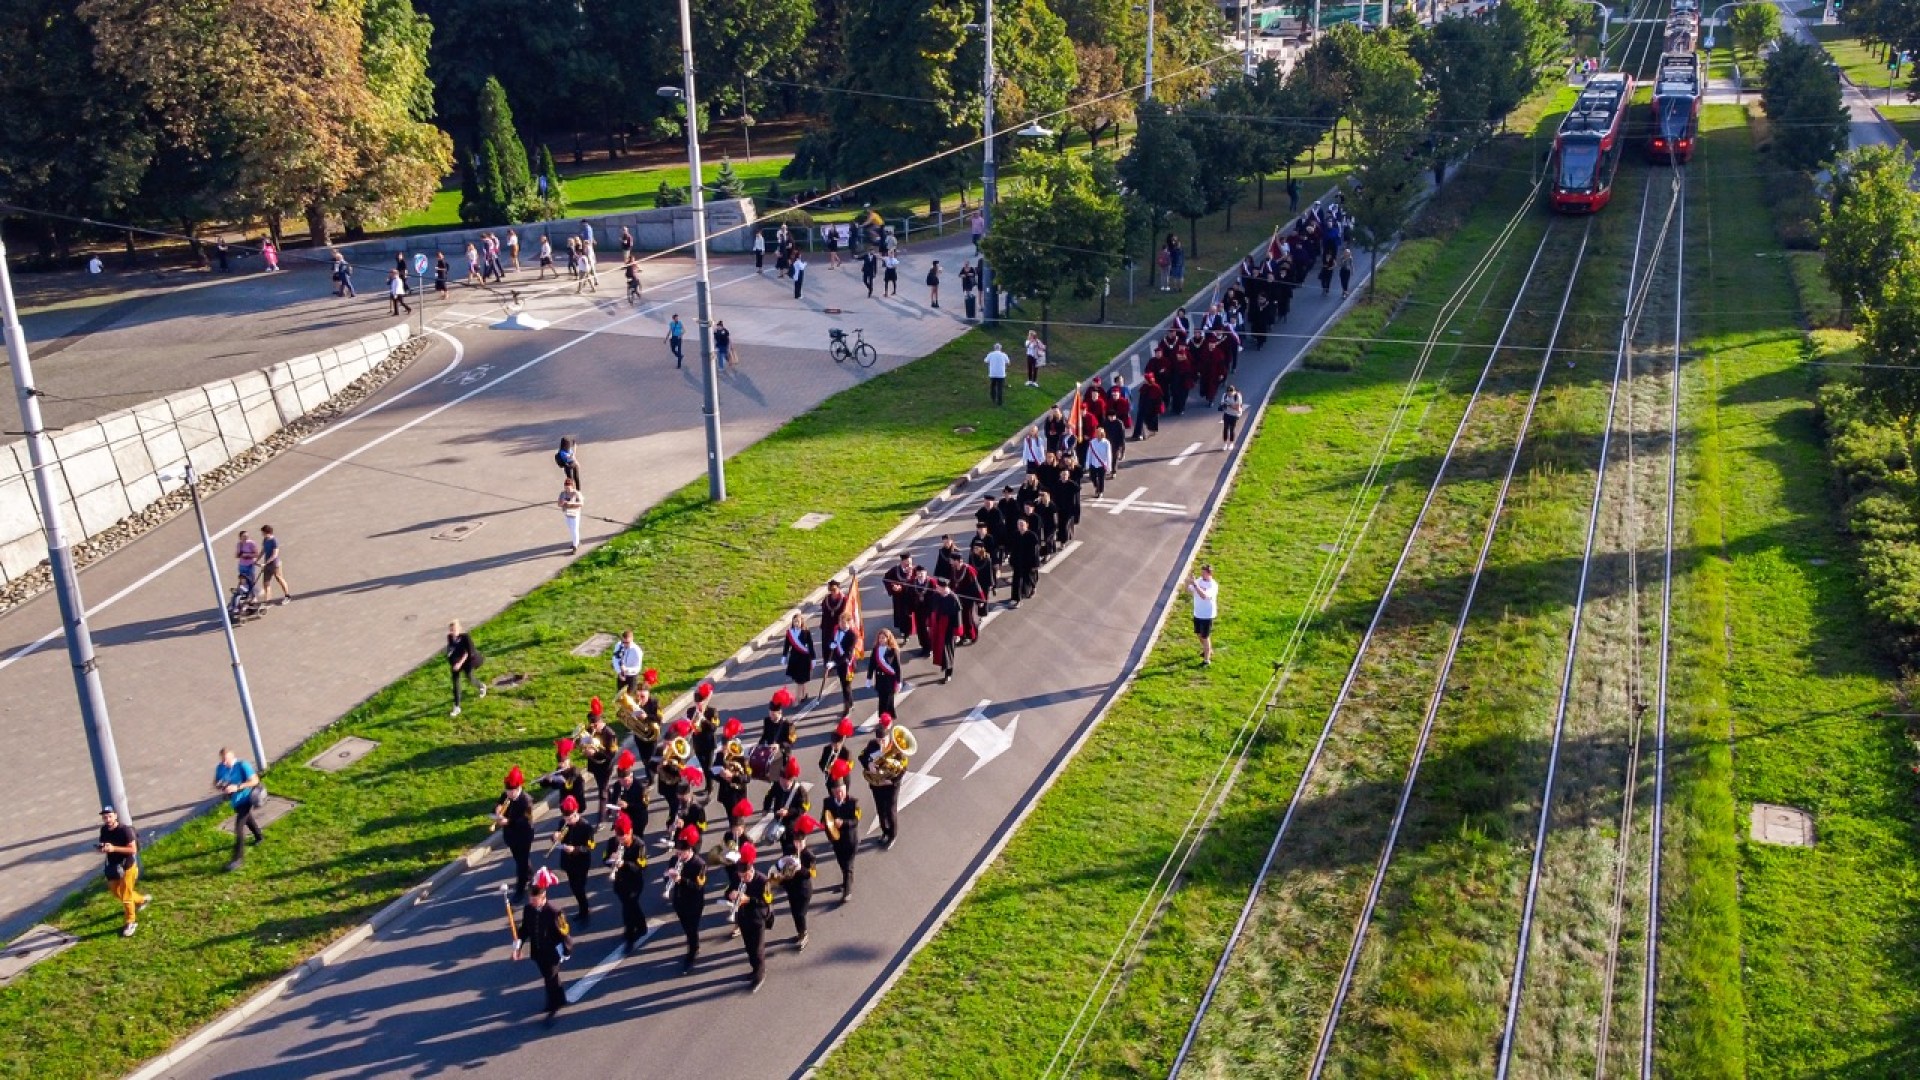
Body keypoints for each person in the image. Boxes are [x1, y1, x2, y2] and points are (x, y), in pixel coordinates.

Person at [512, 869, 574, 1019]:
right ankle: (560, 999)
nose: (532, 902)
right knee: (550, 976)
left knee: (550, 977)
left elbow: (563, 932)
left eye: (535, 899)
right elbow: (525, 929)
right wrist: (518, 946)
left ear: (543, 896)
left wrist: (567, 950)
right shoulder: (528, 910)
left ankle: (552, 1005)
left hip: (553, 951)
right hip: (538, 950)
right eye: (530, 899)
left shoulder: (554, 912)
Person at [728, 842, 777, 992]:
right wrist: (730, 894)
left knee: (757, 950)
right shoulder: (738, 879)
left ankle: (760, 975)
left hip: (757, 919)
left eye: (746, 875)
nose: (743, 878)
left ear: (751, 869)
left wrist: (748, 899)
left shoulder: (763, 881)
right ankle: (755, 969)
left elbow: (766, 902)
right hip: (743, 918)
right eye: (741, 875)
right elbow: (728, 889)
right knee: (748, 948)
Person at [97, 806, 146, 937]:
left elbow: (132, 850)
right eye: (105, 817)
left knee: (125, 896)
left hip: (127, 867)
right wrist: (102, 848)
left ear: (116, 816)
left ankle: (131, 921)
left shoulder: (125, 830)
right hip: (113, 867)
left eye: (109, 816)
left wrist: (114, 848)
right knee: (115, 891)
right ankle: (141, 900)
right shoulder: (104, 830)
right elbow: (104, 843)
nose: (107, 819)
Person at [603, 812, 648, 952]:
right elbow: (604, 860)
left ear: (631, 831)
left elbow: (642, 866)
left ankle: (630, 936)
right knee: (631, 906)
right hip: (619, 882)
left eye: (625, 836)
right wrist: (611, 859)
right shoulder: (612, 842)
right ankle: (642, 926)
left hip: (634, 883)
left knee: (628, 909)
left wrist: (624, 864)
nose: (621, 840)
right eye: (619, 836)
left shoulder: (639, 845)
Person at [665, 825, 708, 972]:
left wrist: (681, 880)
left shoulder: (699, 864)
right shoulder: (674, 860)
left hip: (694, 903)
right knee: (685, 926)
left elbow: (698, 886)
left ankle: (693, 949)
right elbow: (667, 877)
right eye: (678, 850)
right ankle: (693, 943)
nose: (679, 853)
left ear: (690, 850)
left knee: (691, 928)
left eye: (682, 851)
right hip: (679, 901)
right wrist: (668, 876)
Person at [494, 766, 536, 898]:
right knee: (519, 859)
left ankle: (520, 889)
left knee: (521, 863)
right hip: (510, 835)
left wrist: (508, 822)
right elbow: (498, 804)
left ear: (519, 789)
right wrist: (497, 809)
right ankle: (531, 876)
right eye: (507, 791)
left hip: (523, 836)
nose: (509, 794)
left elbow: (525, 820)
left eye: (512, 791)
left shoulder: (526, 800)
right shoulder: (505, 795)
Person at [553, 795, 596, 925]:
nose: (567, 820)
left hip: (581, 862)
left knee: (579, 887)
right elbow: (560, 837)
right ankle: (583, 908)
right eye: (565, 817)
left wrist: (575, 849)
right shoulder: (563, 823)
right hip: (568, 862)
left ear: (576, 812)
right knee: (574, 887)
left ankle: (585, 910)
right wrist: (555, 837)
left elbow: (590, 847)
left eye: (570, 817)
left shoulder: (586, 826)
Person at [821, 765, 860, 900]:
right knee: (842, 863)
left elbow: (856, 820)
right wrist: (825, 824)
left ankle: (847, 891)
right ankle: (846, 882)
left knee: (848, 865)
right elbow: (823, 817)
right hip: (836, 840)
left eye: (841, 791)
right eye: (837, 792)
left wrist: (843, 823)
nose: (839, 794)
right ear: (832, 791)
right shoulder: (828, 802)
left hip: (850, 840)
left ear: (845, 790)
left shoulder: (853, 803)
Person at [776, 829, 818, 950]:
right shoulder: (789, 850)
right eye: (796, 841)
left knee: (800, 913)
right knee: (795, 912)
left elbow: (812, 874)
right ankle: (800, 932)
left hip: (804, 889)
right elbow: (782, 864)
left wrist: (801, 868)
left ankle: (804, 934)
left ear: (805, 841)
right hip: (791, 887)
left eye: (801, 842)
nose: (798, 844)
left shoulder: (810, 856)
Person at [447, 619, 485, 717]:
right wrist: (453, 662)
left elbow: (468, 652)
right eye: (451, 630)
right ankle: (457, 706)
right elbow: (452, 650)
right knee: (455, 683)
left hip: (469, 661)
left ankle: (481, 686)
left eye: (455, 630)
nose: (453, 632)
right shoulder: (450, 637)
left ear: (459, 629)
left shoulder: (465, 637)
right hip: (457, 662)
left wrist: (459, 663)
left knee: (470, 678)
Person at [867, 627, 903, 719]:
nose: (881, 640)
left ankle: (886, 718)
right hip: (880, 678)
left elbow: (897, 667)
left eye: (883, 638)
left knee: (888, 700)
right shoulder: (876, 650)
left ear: (888, 638)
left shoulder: (893, 650)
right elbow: (871, 664)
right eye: (880, 638)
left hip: (889, 679)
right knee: (882, 699)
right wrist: (869, 678)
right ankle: (885, 716)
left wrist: (899, 681)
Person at [780, 614, 815, 705]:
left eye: (798, 621)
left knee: (800, 680)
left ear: (801, 622)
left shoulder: (806, 632)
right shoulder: (790, 633)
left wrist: (813, 658)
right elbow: (786, 646)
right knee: (799, 679)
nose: (796, 623)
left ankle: (797, 699)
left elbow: (810, 645)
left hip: (804, 659)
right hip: (794, 659)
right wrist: (784, 656)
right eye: (794, 621)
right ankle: (803, 695)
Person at [1188, 564, 1219, 666]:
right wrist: (1189, 582)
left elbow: (1204, 596)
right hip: (1198, 613)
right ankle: (1208, 650)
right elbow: (1189, 589)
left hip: (1206, 615)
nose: (1202, 574)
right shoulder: (1199, 580)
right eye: (1201, 572)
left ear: (1210, 574)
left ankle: (1206, 660)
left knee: (1205, 637)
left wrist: (1195, 585)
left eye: (1204, 573)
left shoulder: (1213, 585)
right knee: (1199, 634)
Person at [1008, 517, 1041, 608]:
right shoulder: (1015, 535)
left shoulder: (1032, 536)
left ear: (1027, 525)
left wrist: (1035, 564)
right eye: (1019, 524)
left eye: (1022, 524)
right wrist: (1011, 561)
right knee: (1016, 581)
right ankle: (1017, 599)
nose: (1020, 526)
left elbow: (1036, 551)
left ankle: (1033, 588)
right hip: (1018, 562)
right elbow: (1013, 549)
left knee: (1030, 578)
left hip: (1029, 562)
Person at [255, 524, 292, 605]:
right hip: (267, 565)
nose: (262, 534)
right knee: (266, 583)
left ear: (267, 532)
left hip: (275, 564)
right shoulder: (265, 539)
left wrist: (265, 563)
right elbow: (263, 551)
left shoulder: (274, 541)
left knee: (279, 579)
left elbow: (274, 555)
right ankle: (267, 601)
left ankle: (287, 596)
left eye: (263, 533)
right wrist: (256, 560)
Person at [610, 629, 643, 694]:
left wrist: (627, 670)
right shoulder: (619, 645)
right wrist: (619, 672)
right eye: (623, 642)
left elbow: (637, 668)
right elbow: (615, 659)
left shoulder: (637, 651)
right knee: (620, 696)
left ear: (632, 639)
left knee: (630, 696)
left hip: (631, 677)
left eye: (627, 642)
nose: (625, 645)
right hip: (621, 674)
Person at [557, 477, 583, 555]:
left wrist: (571, 504)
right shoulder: (562, 493)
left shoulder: (576, 493)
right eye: (565, 488)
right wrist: (562, 503)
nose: (567, 490)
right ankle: (576, 542)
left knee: (575, 529)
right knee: (571, 529)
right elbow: (559, 504)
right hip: (567, 513)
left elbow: (581, 504)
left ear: (572, 486)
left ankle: (575, 546)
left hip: (575, 513)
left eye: (568, 488)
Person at [1086, 428, 1113, 499]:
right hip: (1093, 463)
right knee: (1092, 477)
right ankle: (1096, 487)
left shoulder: (1106, 442)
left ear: (1102, 434)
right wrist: (1087, 463)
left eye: (1099, 433)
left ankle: (1100, 491)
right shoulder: (1092, 442)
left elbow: (1108, 455)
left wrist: (1109, 466)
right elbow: (1089, 453)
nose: (1098, 434)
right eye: (1097, 433)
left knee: (1101, 479)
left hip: (1102, 464)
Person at [234, 529, 260, 594]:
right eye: (244, 536)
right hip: (242, 565)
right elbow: (237, 555)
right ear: (240, 537)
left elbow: (256, 554)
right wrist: (240, 554)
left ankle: (253, 596)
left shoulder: (251, 543)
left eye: (247, 536)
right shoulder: (239, 544)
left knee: (251, 581)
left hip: (250, 565)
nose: (246, 537)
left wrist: (247, 555)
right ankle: (244, 594)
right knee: (242, 580)